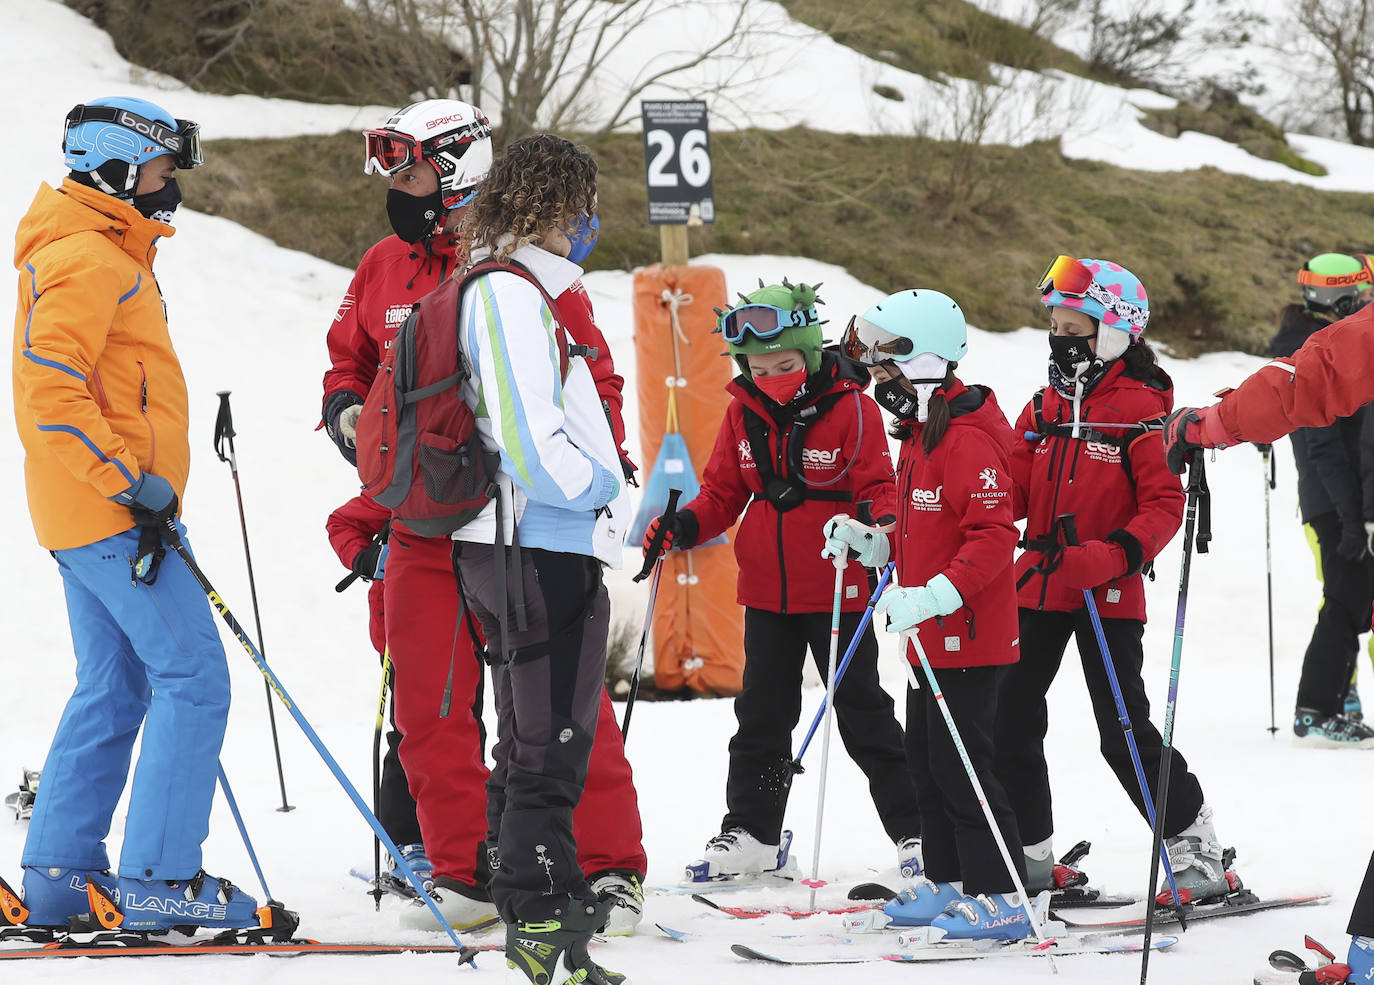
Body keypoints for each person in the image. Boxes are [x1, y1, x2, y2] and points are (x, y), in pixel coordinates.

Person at [320, 101, 646, 934]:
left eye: (410, 169)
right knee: (429, 702)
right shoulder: (383, 266)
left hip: (514, 522)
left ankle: (607, 864)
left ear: (458, 169)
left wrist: (590, 475)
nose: (396, 185)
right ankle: (466, 870)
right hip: (420, 518)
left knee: (556, 697)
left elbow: (590, 380)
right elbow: (348, 363)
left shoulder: (517, 264)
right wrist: (348, 412)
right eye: (391, 171)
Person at [9, 97, 259, 931]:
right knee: (195, 678)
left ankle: (58, 872)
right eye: (160, 172)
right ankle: (160, 877)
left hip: (93, 513)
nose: (170, 190)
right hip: (112, 511)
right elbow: (51, 389)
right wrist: (128, 481)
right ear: (116, 168)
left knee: (113, 686)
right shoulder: (89, 257)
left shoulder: (103, 253)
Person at [643, 280, 922, 883]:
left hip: (839, 587)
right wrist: (684, 525)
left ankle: (916, 830)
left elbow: (880, 486)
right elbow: (722, 492)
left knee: (864, 714)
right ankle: (753, 833)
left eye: (786, 364)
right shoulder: (743, 412)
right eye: (759, 366)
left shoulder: (854, 408)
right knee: (762, 715)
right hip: (766, 591)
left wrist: (881, 525)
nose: (771, 375)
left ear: (811, 353)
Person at [448, 133, 631, 985]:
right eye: (582, 203)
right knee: (549, 747)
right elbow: (526, 437)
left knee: (531, 739)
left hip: (521, 544)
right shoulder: (510, 296)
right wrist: (598, 483)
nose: (591, 221)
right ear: (558, 206)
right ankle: (544, 915)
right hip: (532, 543)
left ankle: (533, 912)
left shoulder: (513, 289)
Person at [999, 255, 1238, 904]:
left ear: (1112, 332)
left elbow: (1162, 506)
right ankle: (1028, 855)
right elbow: (1009, 491)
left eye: (1072, 324)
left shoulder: (1142, 409)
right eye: (1054, 323)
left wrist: (1106, 557)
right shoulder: (1044, 404)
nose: (1059, 336)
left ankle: (1195, 847)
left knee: (1123, 730)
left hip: (1105, 588)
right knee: (1009, 716)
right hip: (1039, 582)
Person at [1163, 254, 1374, 985]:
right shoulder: (1311, 336)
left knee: (1344, 605)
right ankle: (1326, 700)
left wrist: (1215, 424)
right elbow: (1312, 400)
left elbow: (1308, 386)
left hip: (1352, 506)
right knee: (1343, 603)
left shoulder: (1341, 339)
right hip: (1343, 507)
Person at [834, 289, 1034, 941]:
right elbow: (929, 528)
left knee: (965, 768)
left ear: (924, 364)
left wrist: (933, 597)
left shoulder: (969, 441)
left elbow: (992, 539)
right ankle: (950, 878)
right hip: (928, 640)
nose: (877, 385)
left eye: (886, 371)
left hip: (970, 638)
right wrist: (878, 544)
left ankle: (1001, 892)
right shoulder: (922, 435)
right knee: (925, 762)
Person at [1268, 255, 1374, 748]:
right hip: (1336, 500)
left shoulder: (1317, 344)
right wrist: (1355, 519)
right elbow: (1323, 444)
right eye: (1361, 296)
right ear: (1341, 299)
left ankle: (1327, 704)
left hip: (1344, 498)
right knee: (1345, 601)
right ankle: (1317, 710)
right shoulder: (1313, 351)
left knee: (1351, 602)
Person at [325, 494, 431, 881]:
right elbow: (342, 523)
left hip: (462, 629)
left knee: (467, 730)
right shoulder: (399, 484)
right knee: (410, 733)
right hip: (401, 628)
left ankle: (459, 839)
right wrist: (366, 558)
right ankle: (406, 841)